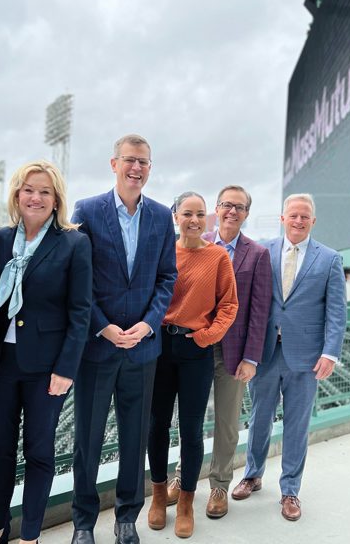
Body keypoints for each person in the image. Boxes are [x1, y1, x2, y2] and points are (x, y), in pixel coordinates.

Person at [70, 134, 177, 544]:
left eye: (144, 162)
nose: (137, 168)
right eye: (130, 160)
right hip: (98, 347)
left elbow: (167, 276)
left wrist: (150, 323)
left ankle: (126, 517)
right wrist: (102, 325)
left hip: (143, 348)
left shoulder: (158, 216)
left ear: (150, 168)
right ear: (113, 164)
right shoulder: (88, 210)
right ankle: (83, 522)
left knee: (135, 438)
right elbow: (79, 279)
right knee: (88, 440)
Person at [0, 161, 92, 544]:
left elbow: (81, 312)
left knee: (39, 452)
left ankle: (30, 535)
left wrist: (66, 369)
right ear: (16, 194)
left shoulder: (74, 242)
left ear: (57, 198)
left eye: (45, 191)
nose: (36, 197)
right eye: (29, 189)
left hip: (47, 367)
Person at [231, 193, 347, 521]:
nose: (298, 221)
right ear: (282, 218)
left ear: (313, 221)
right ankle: (252, 474)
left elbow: (337, 311)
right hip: (264, 352)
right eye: (293, 215)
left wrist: (330, 353)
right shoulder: (261, 251)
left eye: (304, 216)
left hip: (307, 357)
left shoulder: (329, 259)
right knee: (259, 418)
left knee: (296, 425)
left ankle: (290, 490)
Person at [166, 185, 272, 519]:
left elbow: (259, 311)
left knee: (226, 422)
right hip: (193, 346)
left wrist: (251, 358)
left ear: (246, 214)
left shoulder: (257, 254)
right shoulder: (195, 240)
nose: (232, 211)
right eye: (226, 205)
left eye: (239, 207)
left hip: (233, 352)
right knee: (190, 419)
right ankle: (183, 476)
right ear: (216, 208)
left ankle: (219, 484)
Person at [146, 191, 238, 539]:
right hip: (159, 347)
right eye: (188, 213)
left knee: (192, 429)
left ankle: (185, 501)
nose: (195, 220)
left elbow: (229, 305)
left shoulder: (217, 257)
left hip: (195, 349)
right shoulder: (163, 252)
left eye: (201, 214)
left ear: (208, 218)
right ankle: (157, 496)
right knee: (156, 425)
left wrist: (206, 336)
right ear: (175, 216)